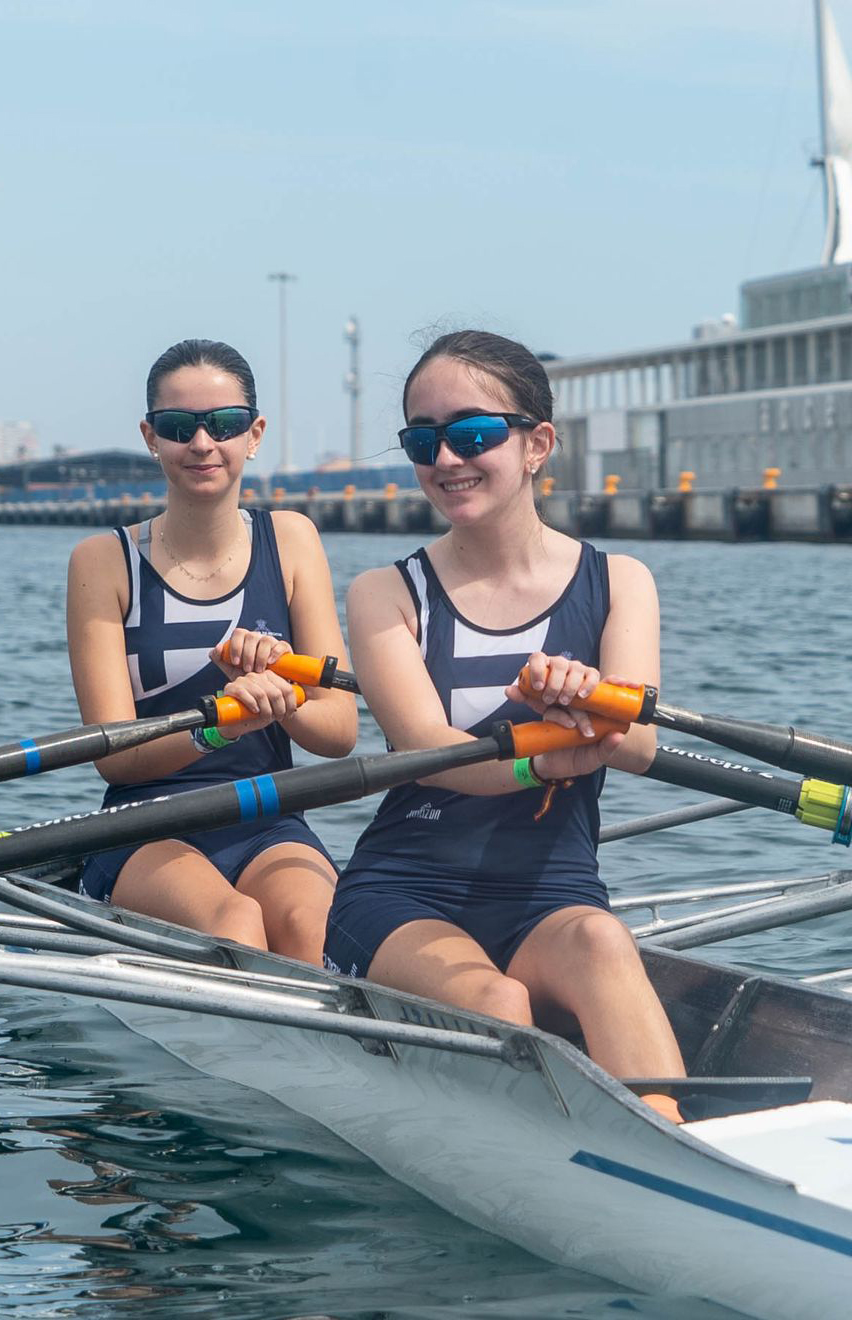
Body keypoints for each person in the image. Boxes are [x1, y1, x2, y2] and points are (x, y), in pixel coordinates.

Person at [323, 329, 687, 1123]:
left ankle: (673, 1137)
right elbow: (425, 751)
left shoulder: (619, 581)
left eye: (474, 434)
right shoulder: (386, 593)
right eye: (425, 440)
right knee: (497, 999)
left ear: (536, 445)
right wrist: (543, 756)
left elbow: (640, 745)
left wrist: (591, 701)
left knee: (603, 943)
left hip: (551, 891)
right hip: (405, 891)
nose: (447, 460)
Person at [66, 338, 358, 965]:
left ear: (253, 434)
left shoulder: (293, 540)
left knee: (315, 927)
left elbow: (338, 734)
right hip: (145, 823)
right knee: (236, 923)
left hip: (268, 818)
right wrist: (220, 725)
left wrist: (278, 697)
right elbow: (113, 759)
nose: (202, 444)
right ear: (151, 436)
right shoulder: (103, 562)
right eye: (179, 427)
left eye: (223, 424)